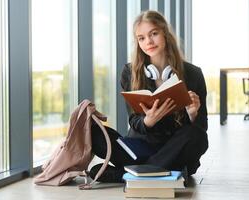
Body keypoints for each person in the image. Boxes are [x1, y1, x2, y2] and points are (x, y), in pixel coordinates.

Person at [89, 10, 208, 183]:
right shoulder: (130, 72)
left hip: (174, 149)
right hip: (140, 147)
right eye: (141, 38)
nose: (148, 42)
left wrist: (193, 114)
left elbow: (202, 126)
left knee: (197, 136)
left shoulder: (193, 74)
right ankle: (155, 171)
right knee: (94, 133)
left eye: (154, 34)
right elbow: (133, 120)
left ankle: (126, 174)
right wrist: (148, 122)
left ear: (165, 34)